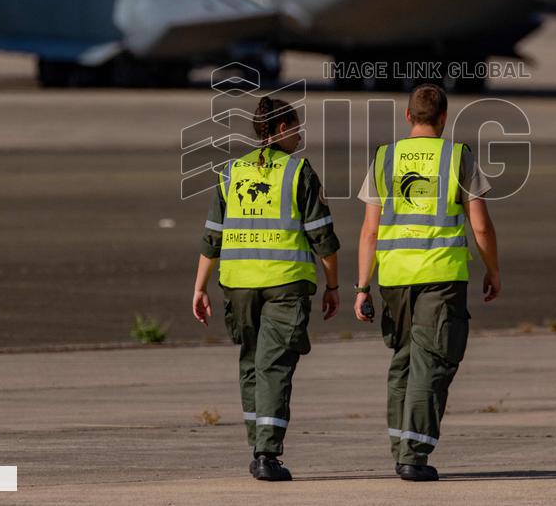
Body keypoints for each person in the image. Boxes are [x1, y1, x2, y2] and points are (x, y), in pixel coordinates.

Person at [353, 83, 501, 481]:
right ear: (443, 118)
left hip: (395, 279)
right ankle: (413, 455)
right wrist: (493, 269)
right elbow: (481, 226)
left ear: (408, 117)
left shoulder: (385, 158)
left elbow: (370, 231)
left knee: (403, 362)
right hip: (441, 276)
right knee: (430, 364)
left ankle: (401, 444)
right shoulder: (458, 156)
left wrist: (362, 286)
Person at [193, 96, 341, 482]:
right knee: (274, 366)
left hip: (238, 285)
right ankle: (266, 452)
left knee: (251, 363)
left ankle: (256, 442)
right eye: (295, 127)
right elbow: (321, 236)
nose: (300, 134)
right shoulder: (298, 172)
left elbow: (213, 237)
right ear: (278, 130)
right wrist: (334, 285)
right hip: (285, 284)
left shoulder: (231, 172)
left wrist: (200, 288)